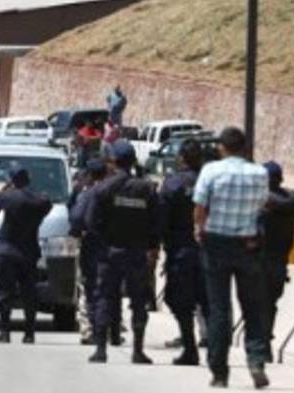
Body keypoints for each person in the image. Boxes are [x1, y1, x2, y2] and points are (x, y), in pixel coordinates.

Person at [193, 126, 271, 389]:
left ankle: (219, 371)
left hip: (215, 243)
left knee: (219, 309)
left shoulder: (212, 171)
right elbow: (261, 205)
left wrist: (200, 230)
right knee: (253, 307)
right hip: (247, 244)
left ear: (222, 148)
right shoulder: (259, 174)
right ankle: (256, 360)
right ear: (245, 148)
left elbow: (200, 206)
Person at [85, 141, 159, 364]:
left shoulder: (103, 189)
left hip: (109, 252)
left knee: (105, 298)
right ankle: (137, 350)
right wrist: (150, 248)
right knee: (138, 302)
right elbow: (156, 223)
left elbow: (91, 222)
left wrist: (103, 243)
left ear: (112, 162)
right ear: (134, 162)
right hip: (136, 253)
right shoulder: (146, 189)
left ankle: (100, 349)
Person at [0, 164, 52, 344]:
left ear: (11, 180)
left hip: (6, 251)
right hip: (28, 252)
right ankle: (29, 333)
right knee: (29, 293)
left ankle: (4, 331)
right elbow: (46, 204)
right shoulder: (41, 201)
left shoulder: (7, 197)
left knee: (4, 292)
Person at [258, 161, 294, 362]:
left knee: (259, 304)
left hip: (259, 260)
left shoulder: (259, 201)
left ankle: (262, 344)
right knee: (270, 303)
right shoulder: (292, 202)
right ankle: (265, 340)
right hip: (280, 260)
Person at [157, 138, 207, 366]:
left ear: (181, 159)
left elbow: (161, 220)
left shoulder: (173, 184)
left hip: (181, 252)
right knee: (209, 303)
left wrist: (154, 246)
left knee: (178, 300)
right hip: (209, 251)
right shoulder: (210, 181)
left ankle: (190, 347)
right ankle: (213, 350)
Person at [68, 158, 108, 345]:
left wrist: (76, 234)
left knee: (88, 287)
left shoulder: (89, 194)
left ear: (89, 175)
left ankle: (89, 329)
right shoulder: (115, 191)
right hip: (115, 247)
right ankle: (109, 329)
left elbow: (76, 218)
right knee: (108, 288)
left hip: (92, 246)